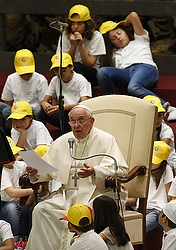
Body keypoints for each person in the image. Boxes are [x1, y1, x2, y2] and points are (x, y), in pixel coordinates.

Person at [25, 104, 129, 250]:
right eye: (72, 121)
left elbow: (122, 170)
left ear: (91, 121)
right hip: (66, 194)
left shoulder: (106, 139)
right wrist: (36, 171)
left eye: (81, 120)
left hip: (96, 193)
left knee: (78, 214)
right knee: (41, 209)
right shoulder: (63, 141)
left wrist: (95, 171)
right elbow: (49, 169)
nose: (76, 125)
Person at [97, 12, 176, 121]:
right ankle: (113, 107)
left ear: (125, 32)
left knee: (133, 87)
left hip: (145, 68)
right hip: (127, 74)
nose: (118, 38)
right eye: (114, 38)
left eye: (119, 33)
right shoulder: (114, 54)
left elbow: (133, 15)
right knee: (102, 71)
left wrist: (123, 23)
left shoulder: (139, 39)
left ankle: (169, 108)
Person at [37, 52, 92, 133]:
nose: (59, 73)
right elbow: (44, 101)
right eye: (56, 70)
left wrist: (65, 107)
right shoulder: (55, 80)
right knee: (39, 110)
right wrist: (46, 106)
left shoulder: (81, 80)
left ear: (71, 67)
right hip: (62, 114)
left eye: (63, 69)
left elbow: (85, 103)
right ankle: (43, 134)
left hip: (77, 114)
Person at [56, 4, 106, 86]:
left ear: (87, 24)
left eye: (79, 23)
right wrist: (73, 46)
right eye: (73, 23)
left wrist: (81, 44)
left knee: (76, 66)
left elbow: (90, 64)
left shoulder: (96, 36)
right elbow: (64, 62)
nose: (75, 27)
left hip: (91, 73)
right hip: (70, 71)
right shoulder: (65, 35)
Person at [0, 49, 48, 132]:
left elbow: (43, 102)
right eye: (22, 73)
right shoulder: (11, 78)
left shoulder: (40, 79)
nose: (26, 76)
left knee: (39, 110)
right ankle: (6, 134)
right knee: (4, 110)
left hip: (32, 110)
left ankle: (36, 131)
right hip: (16, 109)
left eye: (28, 73)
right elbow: (7, 102)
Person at [0, 136, 33, 240]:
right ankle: (15, 237)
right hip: (4, 204)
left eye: (13, 154)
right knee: (11, 208)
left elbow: (30, 169)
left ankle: (25, 236)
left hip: (17, 202)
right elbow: (12, 193)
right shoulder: (3, 171)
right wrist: (33, 190)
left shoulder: (19, 165)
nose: (11, 157)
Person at [145, 141, 173, 233]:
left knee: (140, 228)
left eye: (155, 161)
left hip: (156, 209)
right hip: (141, 207)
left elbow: (169, 194)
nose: (152, 163)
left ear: (163, 162)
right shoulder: (145, 168)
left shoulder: (166, 169)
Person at [143, 95, 176, 174]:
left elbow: (159, 150)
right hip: (147, 160)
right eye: (154, 115)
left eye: (160, 115)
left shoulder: (167, 130)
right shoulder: (140, 127)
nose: (158, 119)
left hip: (166, 162)